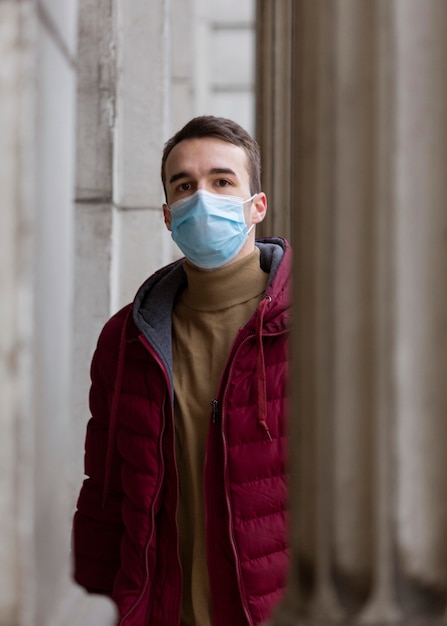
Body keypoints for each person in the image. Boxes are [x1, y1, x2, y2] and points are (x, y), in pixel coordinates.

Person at [72, 115, 292, 626]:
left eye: (221, 181)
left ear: (256, 206)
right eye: (185, 186)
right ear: (169, 215)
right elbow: (106, 500)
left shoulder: (316, 330)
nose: (202, 197)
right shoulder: (127, 339)